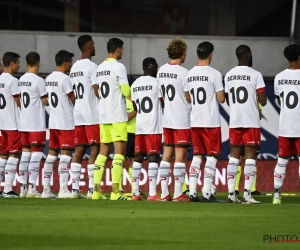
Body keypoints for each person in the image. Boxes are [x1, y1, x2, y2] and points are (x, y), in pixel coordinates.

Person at [224, 45, 267, 204]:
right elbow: (263, 100)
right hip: (251, 121)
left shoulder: (229, 75)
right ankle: (247, 195)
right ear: (249, 55)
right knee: (250, 157)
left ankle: (230, 194)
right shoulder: (256, 74)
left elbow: (228, 100)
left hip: (235, 120)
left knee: (234, 157)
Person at [184, 41, 225, 202]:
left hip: (195, 121)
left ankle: (193, 192)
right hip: (211, 122)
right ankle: (207, 192)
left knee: (197, 156)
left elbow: (188, 97)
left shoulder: (189, 74)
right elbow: (221, 99)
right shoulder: (214, 74)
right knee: (212, 156)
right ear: (210, 55)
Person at [93, 38, 131, 201]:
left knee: (102, 153)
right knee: (119, 153)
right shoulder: (119, 67)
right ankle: (116, 192)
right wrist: (131, 98)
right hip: (117, 115)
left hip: (103, 114)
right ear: (118, 50)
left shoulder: (100, 67)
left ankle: (96, 191)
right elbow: (125, 90)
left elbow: (96, 90)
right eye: (121, 50)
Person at [157, 37, 190, 202]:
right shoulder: (185, 73)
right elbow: (189, 97)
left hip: (167, 118)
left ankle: (164, 193)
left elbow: (160, 95)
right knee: (180, 156)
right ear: (183, 54)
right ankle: (178, 193)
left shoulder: (161, 70)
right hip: (181, 119)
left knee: (166, 155)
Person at [69, 35, 100, 199]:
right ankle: (91, 190)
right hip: (91, 115)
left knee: (79, 151)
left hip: (78, 115)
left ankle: (74, 189)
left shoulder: (74, 67)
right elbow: (97, 91)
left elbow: (72, 95)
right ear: (88, 47)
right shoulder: (92, 67)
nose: (95, 48)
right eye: (93, 45)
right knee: (95, 150)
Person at [42, 50, 75, 199]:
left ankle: (46, 189)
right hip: (66, 122)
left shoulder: (48, 78)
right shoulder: (64, 79)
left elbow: (46, 100)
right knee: (66, 154)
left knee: (51, 155)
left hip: (53, 121)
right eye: (70, 63)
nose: (71, 66)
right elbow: (74, 99)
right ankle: (63, 189)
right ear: (65, 63)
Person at [130, 57, 163, 201]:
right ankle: (152, 193)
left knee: (138, 158)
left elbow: (135, 107)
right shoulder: (157, 83)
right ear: (153, 67)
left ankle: (135, 193)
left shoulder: (135, 84)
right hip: (153, 126)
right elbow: (163, 102)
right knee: (153, 157)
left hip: (140, 126)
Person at [18, 52, 49, 198]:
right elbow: (46, 101)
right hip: (36, 124)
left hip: (23, 124)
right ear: (39, 63)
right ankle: (32, 189)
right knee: (36, 156)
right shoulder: (38, 81)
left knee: (25, 156)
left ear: (26, 64)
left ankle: (23, 189)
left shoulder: (20, 80)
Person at [273, 44, 300, 204]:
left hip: (285, 126)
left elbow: (279, 100)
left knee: (281, 160)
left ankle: (276, 196)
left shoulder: (279, 77)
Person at [0, 52, 21, 198]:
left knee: (3, 155)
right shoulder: (12, 81)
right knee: (14, 155)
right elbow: (19, 103)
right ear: (12, 63)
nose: (19, 65)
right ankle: (7, 189)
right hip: (13, 124)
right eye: (18, 62)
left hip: (2, 124)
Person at [235, 103, 263, 196]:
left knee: (240, 157)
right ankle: (251, 189)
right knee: (252, 158)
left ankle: (234, 188)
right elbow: (258, 116)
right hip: (250, 129)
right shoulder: (255, 96)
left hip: (238, 127)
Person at [123, 96, 136, 194]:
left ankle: (134, 189)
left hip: (137, 132)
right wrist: (136, 110)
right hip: (126, 133)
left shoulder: (136, 100)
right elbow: (125, 118)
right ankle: (118, 188)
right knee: (121, 160)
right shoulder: (123, 101)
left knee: (134, 160)